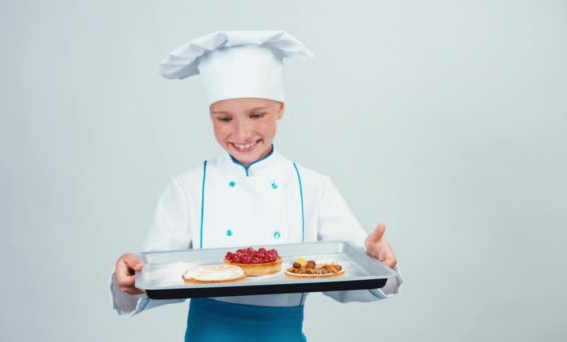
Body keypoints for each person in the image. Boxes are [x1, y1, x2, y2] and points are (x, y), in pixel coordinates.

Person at [111, 30, 403, 341]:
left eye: (256, 114)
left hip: (283, 334)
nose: (242, 132)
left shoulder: (314, 186)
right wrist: (132, 278)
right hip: (208, 334)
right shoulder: (187, 187)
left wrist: (378, 263)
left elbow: (350, 275)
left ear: (280, 109)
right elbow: (158, 275)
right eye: (224, 119)